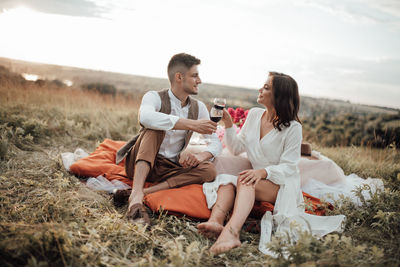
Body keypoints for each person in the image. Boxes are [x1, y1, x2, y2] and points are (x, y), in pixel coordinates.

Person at [197, 72, 345, 254]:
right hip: (256, 179)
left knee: (244, 181)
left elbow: (289, 167)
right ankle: (216, 222)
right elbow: (236, 148)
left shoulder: (293, 128)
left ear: (279, 97)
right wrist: (228, 125)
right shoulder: (254, 115)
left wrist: (263, 173)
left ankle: (232, 233)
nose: (260, 89)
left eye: (266, 88)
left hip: (281, 184)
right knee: (226, 181)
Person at [115, 53, 222, 225]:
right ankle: (135, 200)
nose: (199, 80)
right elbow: (146, 117)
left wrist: (202, 156)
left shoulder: (199, 107)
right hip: (140, 163)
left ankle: (142, 193)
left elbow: (215, 141)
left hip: (169, 169)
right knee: (155, 128)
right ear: (179, 77)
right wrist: (190, 125)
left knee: (209, 170)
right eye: (195, 75)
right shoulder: (154, 96)